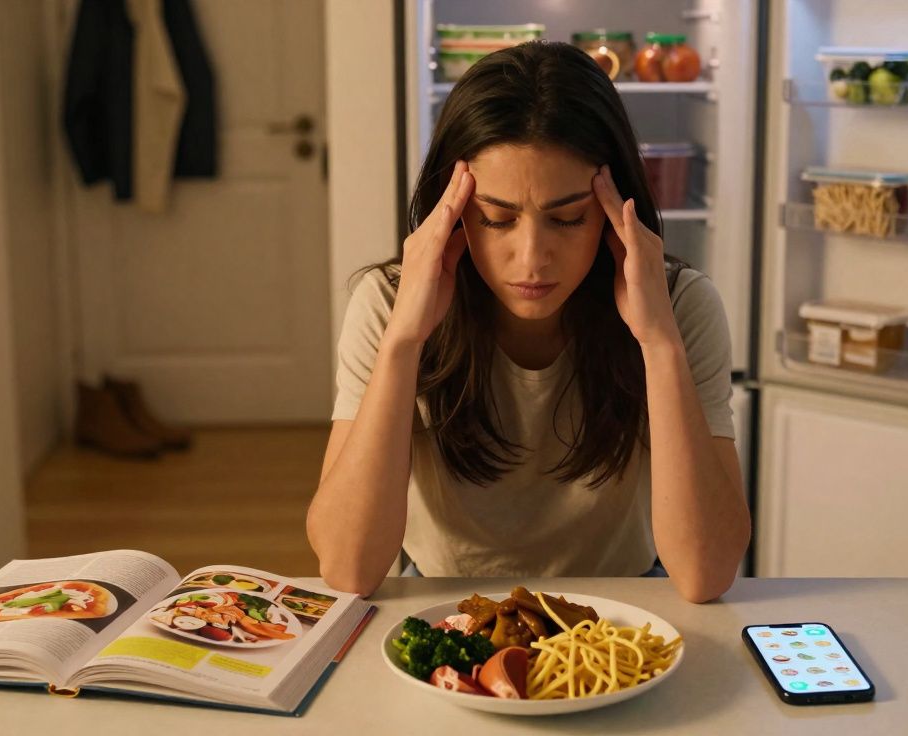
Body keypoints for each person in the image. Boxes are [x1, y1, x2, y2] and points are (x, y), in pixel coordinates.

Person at [306, 41, 749, 603]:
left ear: (616, 213)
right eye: (496, 219)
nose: (532, 258)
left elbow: (707, 574)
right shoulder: (386, 303)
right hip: (443, 601)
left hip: (625, 604)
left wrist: (658, 342)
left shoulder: (681, 306)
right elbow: (348, 567)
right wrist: (403, 343)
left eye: (567, 219)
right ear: (453, 210)